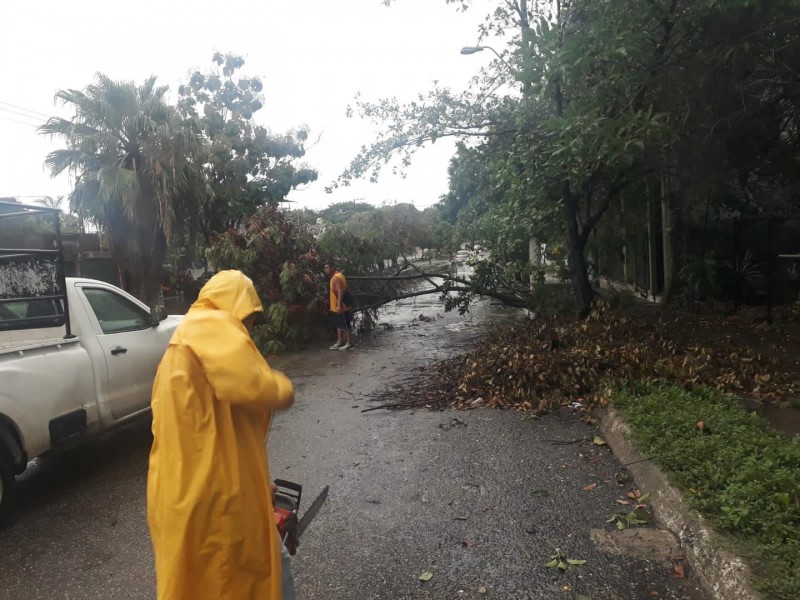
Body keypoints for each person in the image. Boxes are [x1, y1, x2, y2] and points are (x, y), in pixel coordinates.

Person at [147, 270, 295, 600]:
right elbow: (253, 385)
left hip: (174, 497)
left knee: (196, 585)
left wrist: (259, 482)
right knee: (250, 577)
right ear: (236, 305)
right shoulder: (210, 324)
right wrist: (284, 387)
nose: (250, 329)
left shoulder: (177, 347)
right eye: (250, 317)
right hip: (214, 501)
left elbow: (206, 432)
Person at [324, 261, 353, 350]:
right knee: (339, 324)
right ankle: (339, 341)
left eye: (328, 267)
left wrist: (339, 305)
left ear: (332, 268)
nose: (326, 270)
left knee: (345, 324)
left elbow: (340, 291)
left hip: (341, 305)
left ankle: (349, 343)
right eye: (325, 268)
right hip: (337, 305)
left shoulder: (336, 278)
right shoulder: (338, 275)